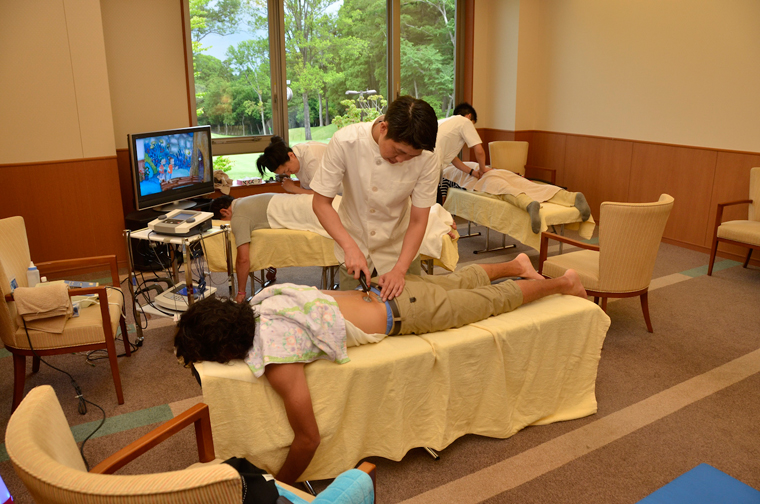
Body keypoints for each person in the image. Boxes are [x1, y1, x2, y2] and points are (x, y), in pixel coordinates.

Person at [174, 254, 588, 484]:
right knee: (457, 282)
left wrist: (281, 484)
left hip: (406, 314)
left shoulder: (275, 354)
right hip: (381, 291)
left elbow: (308, 439)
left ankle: (562, 284)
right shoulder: (261, 302)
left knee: (489, 302)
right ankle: (516, 264)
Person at [209, 193, 456, 304]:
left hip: (308, 213)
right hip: (305, 203)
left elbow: (243, 259)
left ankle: (436, 225)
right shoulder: (252, 199)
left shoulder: (238, 215)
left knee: (364, 222)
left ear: (224, 212)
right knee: (366, 215)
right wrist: (271, 268)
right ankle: (438, 218)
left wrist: (241, 293)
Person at [311, 96, 440, 300]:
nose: (401, 160)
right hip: (354, 244)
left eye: (410, 157)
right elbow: (320, 203)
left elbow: (418, 220)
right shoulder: (345, 142)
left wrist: (400, 269)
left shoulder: (428, 158)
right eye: (398, 151)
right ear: (384, 128)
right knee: (355, 313)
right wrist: (349, 247)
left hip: (400, 248)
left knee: (409, 311)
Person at [436, 102, 489, 182]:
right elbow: (479, 151)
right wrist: (483, 169)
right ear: (469, 116)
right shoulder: (465, 121)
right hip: (433, 164)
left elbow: (453, 158)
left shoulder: (443, 122)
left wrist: (473, 172)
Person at [255, 136, 327, 195]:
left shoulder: (312, 159)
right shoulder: (295, 156)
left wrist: (293, 188)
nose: (288, 174)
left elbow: (320, 196)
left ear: (291, 155)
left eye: (287, 170)